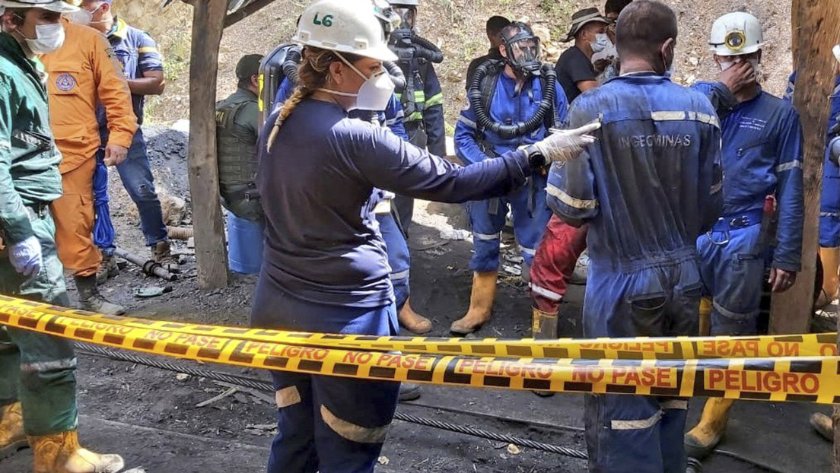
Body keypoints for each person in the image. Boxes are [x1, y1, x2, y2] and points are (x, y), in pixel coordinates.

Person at [250, 1, 595, 471]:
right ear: (336, 69)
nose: (381, 78)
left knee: (295, 438)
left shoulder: (280, 119)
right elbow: (452, 182)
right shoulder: (355, 137)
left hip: (278, 310)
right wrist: (538, 153)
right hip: (345, 320)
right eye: (371, 67)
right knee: (348, 449)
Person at [547, 1, 723, 471]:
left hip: (620, 284)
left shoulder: (590, 108)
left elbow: (571, 208)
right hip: (686, 279)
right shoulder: (702, 110)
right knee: (671, 404)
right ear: (667, 47)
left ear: (613, 46)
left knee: (621, 415)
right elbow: (711, 207)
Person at [0, 1, 125, 471]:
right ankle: (60, 455)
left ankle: (10, 422)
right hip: (19, 216)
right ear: (12, 19)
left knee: (8, 331)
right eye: (47, 18)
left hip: (24, 206)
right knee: (48, 337)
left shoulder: (18, 61)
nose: (58, 26)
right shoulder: (5, 72)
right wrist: (19, 233)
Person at [685, 12, 804, 461]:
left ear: (759, 55)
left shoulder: (779, 115)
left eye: (746, 56)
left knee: (731, 330)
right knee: (687, 321)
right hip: (696, 230)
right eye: (728, 58)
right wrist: (723, 94)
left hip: (744, 237)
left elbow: (792, 188)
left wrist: (787, 254)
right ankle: (683, 396)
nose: (737, 65)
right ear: (716, 58)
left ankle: (713, 421)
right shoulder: (699, 101)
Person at [452, 21, 569, 335]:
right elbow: (463, 137)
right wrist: (486, 168)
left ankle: (541, 319)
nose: (528, 54)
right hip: (492, 175)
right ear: (503, 51)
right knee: (485, 240)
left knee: (536, 246)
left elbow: (564, 132)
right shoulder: (485, 86)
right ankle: (478, 308)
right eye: (520, 48)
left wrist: (547, 161)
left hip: (532, 178)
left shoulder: (548, 85)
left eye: (532, 46)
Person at [41, 3, 137, 315]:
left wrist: (121, 137)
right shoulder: (9, 44)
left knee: (76, 226)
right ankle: (22, 309)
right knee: (14, 233)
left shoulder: (89, 40)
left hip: (73, 154)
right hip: (16, 160)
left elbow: (116, 91)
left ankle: (88, 296)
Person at [68, 0, 175, 279]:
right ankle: (104, 255)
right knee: (91, 197)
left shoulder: (137, 39)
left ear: (103, 6)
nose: (76, 9)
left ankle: (160, 247)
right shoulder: (73, 40)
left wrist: (110, 80)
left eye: (83, 4)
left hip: (124, 129)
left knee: (141, 190)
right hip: (85, 131)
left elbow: (157, 83)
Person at [387, 0, 446, 230]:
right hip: (375, 134)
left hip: (411, 137)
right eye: (395, 13)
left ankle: (401, 239)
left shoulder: (420, 59)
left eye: (407, 14)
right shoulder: (368, 53)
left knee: (403, 198)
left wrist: (439, 157)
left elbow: (433, 106)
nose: (402, 21)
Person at [555, 7, 611, 103]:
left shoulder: (577, 56)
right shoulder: (575, 59)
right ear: (584, 34)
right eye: (600, 32)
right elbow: (596, 97)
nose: (605, 36)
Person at [465, 15, 510, 91]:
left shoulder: (514, 62)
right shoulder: (478, 65)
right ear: (491, 35)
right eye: (503, 37)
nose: (507, 41)